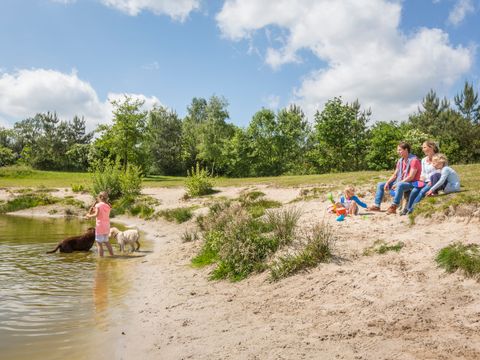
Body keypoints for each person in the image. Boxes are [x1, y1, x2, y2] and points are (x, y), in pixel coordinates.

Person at [368, 142, 422, 215]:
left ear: (406, 150)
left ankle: (394, 206)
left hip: (411, 183)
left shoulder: (414, 160)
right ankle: (377, 206)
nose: (398, 152)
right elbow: (395, 175)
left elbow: (411, 176)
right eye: (398, 150)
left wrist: (398, 183)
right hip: (400, 181)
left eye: (400, 150)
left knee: (400, 185)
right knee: (381, 184)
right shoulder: (400, 161)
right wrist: (387, 182)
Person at [402, 140, 440, 215]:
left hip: (434, 182)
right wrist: (421, 178)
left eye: (424, 147)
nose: (422, 149)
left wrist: (432, 181)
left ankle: (411, 210)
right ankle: (408, 208)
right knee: (414, 191)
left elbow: (441, 171)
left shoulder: (438, 158)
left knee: (422, 192)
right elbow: (423, 172)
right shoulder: (423, 160)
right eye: (422, 148)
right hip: (424, 181)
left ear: (431, 147)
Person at [86, 191, 114, 257]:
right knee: (107, 242)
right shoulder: (108, 205)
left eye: (98, 197)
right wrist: (94, 208)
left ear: (100, 197)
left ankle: (101, 259)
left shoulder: (98, 205)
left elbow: (96, 214)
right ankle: (112, 255)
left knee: (99, 243)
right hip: (107, 226)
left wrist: (88, 215)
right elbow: (99, 211)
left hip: (100, 226)